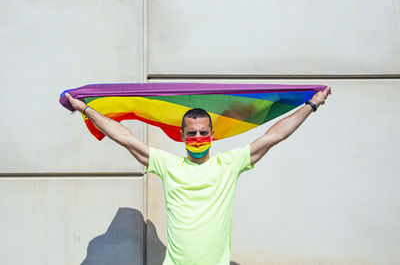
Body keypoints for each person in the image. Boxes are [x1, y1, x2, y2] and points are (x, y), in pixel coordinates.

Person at [66, 86, 331, 265]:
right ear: (182, 136)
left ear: (212, 135)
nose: (198, 137)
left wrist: (311, 105)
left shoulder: (229, 163)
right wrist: (85, 108)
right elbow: (125, 138)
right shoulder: (168, 164)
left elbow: (274, 136)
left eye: (203, 132)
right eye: (191, 133)